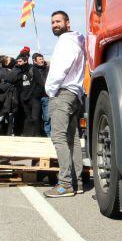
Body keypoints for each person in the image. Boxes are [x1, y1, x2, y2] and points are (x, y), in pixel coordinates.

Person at [44, 10, 85, 198]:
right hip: (75, 94)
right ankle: (78, 182)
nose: (54, 25)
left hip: (63, 93)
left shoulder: (65, 42)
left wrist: (50, 90)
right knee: (72, 139)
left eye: (58, 21)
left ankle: (65, 184)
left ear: (68, 23)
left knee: (59, 138)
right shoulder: (77, 40)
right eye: (52, 22)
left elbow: (60, 69)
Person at [32, 53, 51, 137]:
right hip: (35, 98)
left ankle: (48, 135)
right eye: (40, 59)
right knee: (37, 118)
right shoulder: (31, 70)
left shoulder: (47, 69)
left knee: (47, 118)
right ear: (34, 61)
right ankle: (39, 135)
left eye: (42, 59)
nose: (42, 60)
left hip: (46, 96)